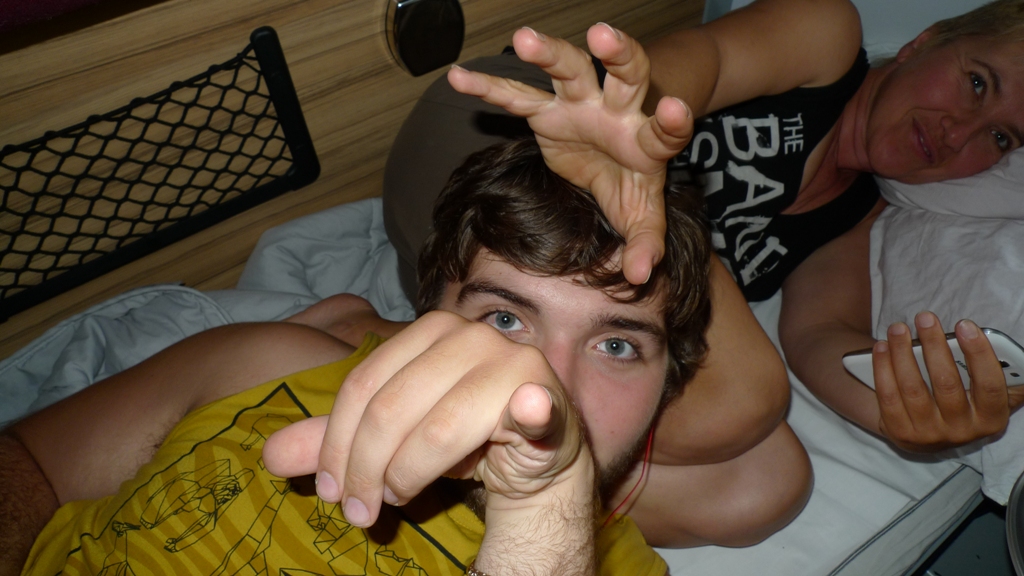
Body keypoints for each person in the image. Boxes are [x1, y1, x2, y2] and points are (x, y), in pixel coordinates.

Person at [382, 0, 1024, 521]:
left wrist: (912, 414)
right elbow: (700, 65)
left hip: (505, 287)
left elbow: (822, 338)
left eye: (1000, 137)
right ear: (924, 41)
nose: (958, 132)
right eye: (977, 83)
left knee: (768, 487)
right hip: (512, 144)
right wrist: (630, 141)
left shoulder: (858, 220)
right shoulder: (826, 36)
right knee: (746, 400)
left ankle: (384, 350)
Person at [2, 139, 712, 576]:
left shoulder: (616, 571)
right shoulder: (272, 360)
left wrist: (541, 512)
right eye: (504, 318)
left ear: (666, 388)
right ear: (426, 319)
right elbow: (29, 465)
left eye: (616, 344)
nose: (547, 385)